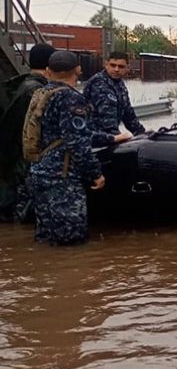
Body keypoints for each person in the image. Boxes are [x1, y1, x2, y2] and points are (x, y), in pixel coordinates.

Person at [24, 51, 106, 245]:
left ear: (48, 71)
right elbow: (77, 142)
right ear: (78, 70)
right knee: (72, 243)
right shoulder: (71, 99)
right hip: (62, 178)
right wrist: (95, 174)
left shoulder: (41, 93)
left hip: (39, 172)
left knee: (46, 238)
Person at [0, 43, 55, 221]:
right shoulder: (35, 92)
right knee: (20, 214)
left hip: (12, 161)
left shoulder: (22, 85)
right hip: (20, 164)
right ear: (49, 67)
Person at [83, 51, 143, 147]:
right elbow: (107, 121)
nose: (116, 69)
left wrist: (142, 133)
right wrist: (119, 137)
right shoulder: (99, 83)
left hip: (109, 138)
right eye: (113, 65)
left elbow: (128, 115)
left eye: (121, 66)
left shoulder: (119, 84)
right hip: (95, 140)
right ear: (106, 65)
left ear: (128, 67)